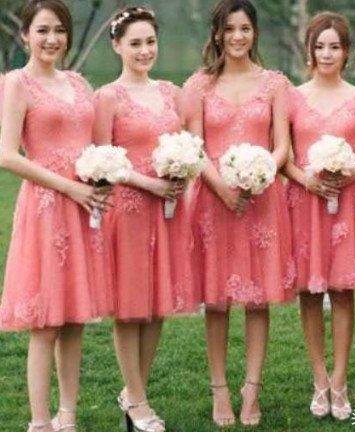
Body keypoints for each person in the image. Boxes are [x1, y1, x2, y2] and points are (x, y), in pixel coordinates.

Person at [0, 1, 112, 431]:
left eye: (59, 30)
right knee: (46, 322)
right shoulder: (17, 83)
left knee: (74, 319)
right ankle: (40, 421)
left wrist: (103, 174)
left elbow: (95, 144)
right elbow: (8, 154)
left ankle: (68, 416)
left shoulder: (79, 83)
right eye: (43, 30)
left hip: (84, 209)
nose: (52, 39)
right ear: (25, 35)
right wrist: (69, 187)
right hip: (47, 209)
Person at [183, 0, 295, 426]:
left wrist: (260, 174)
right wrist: (223, 189)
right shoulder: (198, 85)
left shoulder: (274, 84)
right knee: (216, 301)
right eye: (229, 29)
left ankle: (251, 389)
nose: (237, 36)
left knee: (256, 299)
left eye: (244, 28)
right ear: (217, 33)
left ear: (254, 32)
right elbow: (195, 147)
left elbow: (281, 146)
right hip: (213, 201)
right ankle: (219, 390)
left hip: (261, 201)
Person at [93, 6, 198, 432]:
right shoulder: (107, 97)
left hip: (167, 212)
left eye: (150, 42)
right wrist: (149, 183)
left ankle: (133, 392)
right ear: (117, 46)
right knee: (130, 306)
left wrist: (182, 170)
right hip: (129, 209)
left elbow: (188, 142)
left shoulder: (171, 93)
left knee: (157, 305)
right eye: (134, 43)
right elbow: (101, 160)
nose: (144, 50)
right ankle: (137, 400)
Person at [284, 11, 355, 421]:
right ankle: (319, 376)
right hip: (304, 202)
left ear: (346, 51)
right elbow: (283, 156)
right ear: (309, 49)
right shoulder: (292, 98)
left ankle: (340, 379)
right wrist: (306, 179)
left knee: (341, 291)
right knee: (309, 291)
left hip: (347, 204)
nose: (326, 53)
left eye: (334, 47)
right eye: (319, 46)